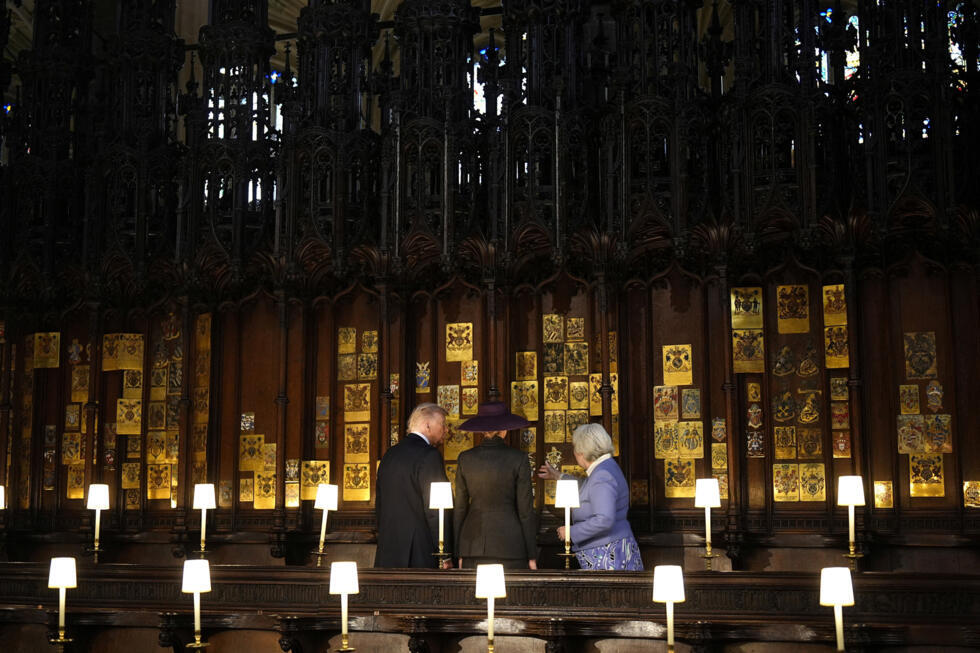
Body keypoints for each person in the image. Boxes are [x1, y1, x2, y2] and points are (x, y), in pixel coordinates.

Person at [538, 423, 643, 570]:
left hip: (607, 555)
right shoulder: (606, 467)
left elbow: (604, 519)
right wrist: (558, 476)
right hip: (612, 549)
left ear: (581, 451)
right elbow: (588, 487)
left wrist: (570, 532)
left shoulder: (601, 475)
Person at [454, 402, 538, 570]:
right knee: (512, 596)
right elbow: (525, 511)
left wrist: (458, 552)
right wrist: (532, 555)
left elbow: (460, 509)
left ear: (483, 430)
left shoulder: (465, 458)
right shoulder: (518, 458)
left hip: (472, 546)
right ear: (505, 430)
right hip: (511, 546)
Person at [374, 402, 452, 568]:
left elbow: (379, 505)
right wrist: (445, 554)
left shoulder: (389, 455)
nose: (446, 430)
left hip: (387, 552)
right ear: (427, 425)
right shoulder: (430, 455)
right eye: (443, 424)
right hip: (419, 553)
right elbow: (436, 510)